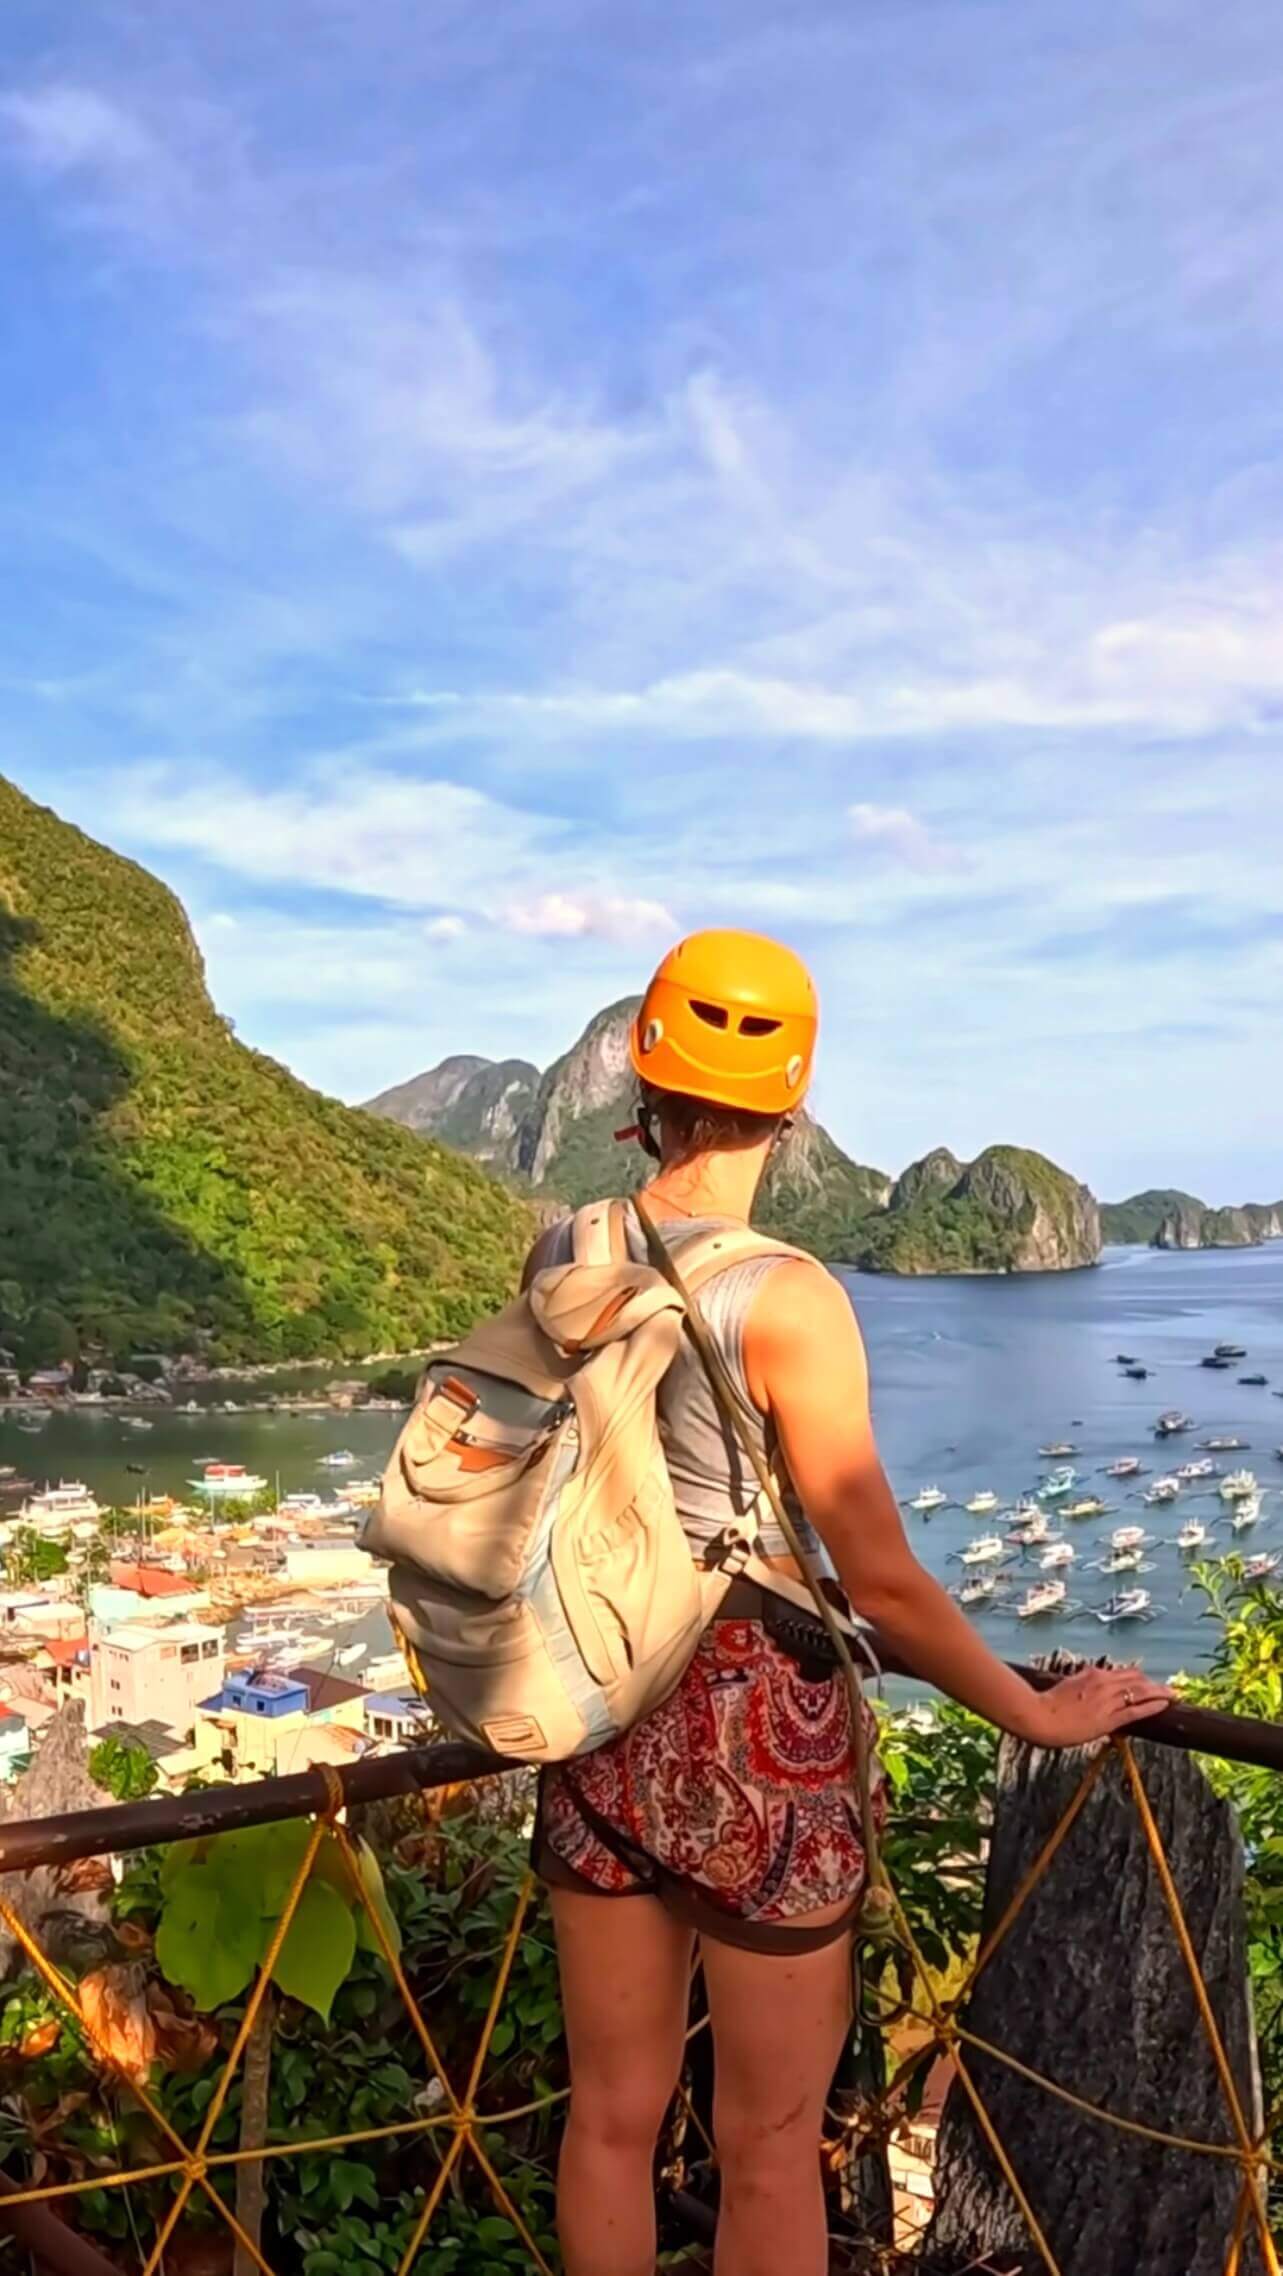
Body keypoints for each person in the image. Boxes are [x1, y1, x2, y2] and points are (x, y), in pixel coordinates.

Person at [524, 928, 1170, 2276]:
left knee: (609, 2120)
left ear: (643, 1088)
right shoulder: (792, 1296)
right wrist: (1033, 1712)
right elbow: (878, 1579)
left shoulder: (563, 1246)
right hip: (752, 1726)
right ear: (795, 1100)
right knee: (768, 2142)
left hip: (592, 1700)